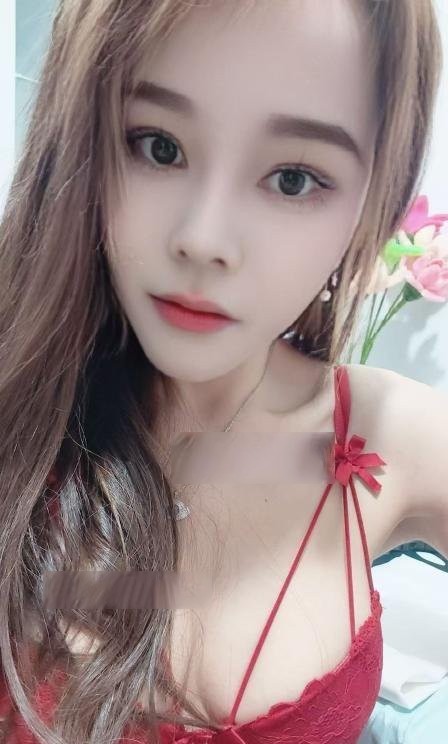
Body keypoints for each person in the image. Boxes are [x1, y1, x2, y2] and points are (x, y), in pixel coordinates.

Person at [0, 1, 446, 743]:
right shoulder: (23, 405)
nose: (204, 239)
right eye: (158, 146)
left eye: (294, 179)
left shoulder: (398, 438)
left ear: (376, 198)